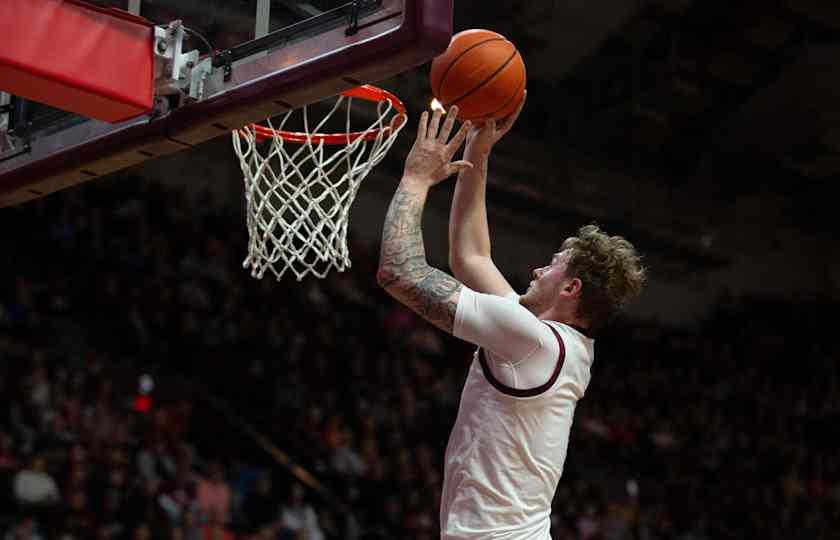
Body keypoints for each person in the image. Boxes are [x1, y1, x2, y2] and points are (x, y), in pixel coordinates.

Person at [376, 96, 645, 539]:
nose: (538, 269)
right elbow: (471, 256)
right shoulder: (553, 344)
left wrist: (416, 177)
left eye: (554, 262)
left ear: (570, 288)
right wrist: (477, 154)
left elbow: (399, 272)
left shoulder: (533, 341)